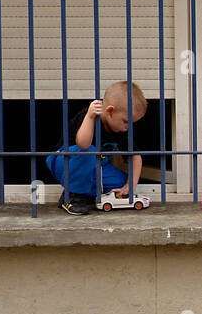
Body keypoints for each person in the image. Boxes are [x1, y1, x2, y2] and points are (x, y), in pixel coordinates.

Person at [47, 81, 147, 215]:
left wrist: (130, 186)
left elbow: (135, 157)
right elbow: (83, 144)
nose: (127, 127)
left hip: (95, 166)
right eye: (125, 121)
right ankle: (73, 196)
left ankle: (82, 192)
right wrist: (90, 117)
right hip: (64, 161)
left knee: (121, 182)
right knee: (88, 152)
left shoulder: (121, 130)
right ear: (110, 111)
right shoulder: (88, 116)